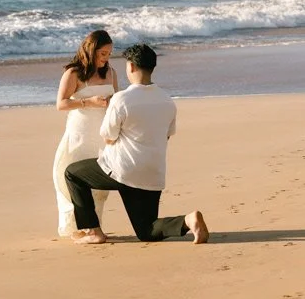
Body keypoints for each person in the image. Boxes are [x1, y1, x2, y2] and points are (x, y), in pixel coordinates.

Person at [65, 43, 209, 245]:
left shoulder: (121, 99)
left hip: (123, 170)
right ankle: (188, 220)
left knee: (73, 174)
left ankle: (93, 231)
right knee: (147, 231)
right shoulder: (167, 100)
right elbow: (166, 136)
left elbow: (108, 137)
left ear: (131, 66)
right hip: (153, 174)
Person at [52, 29, 118, 239]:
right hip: (80, 134)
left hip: (102, 136)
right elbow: (61, 104)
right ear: (91, 50)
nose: (106, 58)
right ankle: (79, 227)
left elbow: (117, 103)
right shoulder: (73, 73)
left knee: (100, 184)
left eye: (109, 54)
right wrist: (89, 102)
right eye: (103, 53)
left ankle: (94, 227)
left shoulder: (111, 73)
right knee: (68, 177)